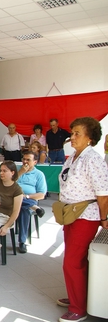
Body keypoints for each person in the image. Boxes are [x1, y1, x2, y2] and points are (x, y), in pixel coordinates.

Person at [56, 117, 108, 322]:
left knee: (72, 262)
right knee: (74, 260)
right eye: (72, 132)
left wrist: (104, 219)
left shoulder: (93, 159)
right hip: (70, 214)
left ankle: (79, 309)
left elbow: (103, 194)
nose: (72, 136)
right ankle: (76, 296)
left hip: (86, 216)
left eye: (77, 133)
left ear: (90, 138)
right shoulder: (73, 157)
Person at [16, 151, 47, 253]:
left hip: (28, 199)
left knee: (23, 209)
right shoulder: (16, 171)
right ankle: (34, 207)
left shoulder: (39, 174)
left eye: (28, 160)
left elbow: (41, 195)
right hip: (13, 199)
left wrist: (27, 196)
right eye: (23, 159)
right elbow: (8, 184)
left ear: (35, 162)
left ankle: (22, 242)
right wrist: (20, 172)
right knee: (19, 199)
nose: (25, 162)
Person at [0, 161, 23, 251]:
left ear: (12, 172)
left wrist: (6, 226)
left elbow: (15, 212)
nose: (1, 173)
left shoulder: (17, 190)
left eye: (4, 171)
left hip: (5, 216)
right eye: (0, 171)